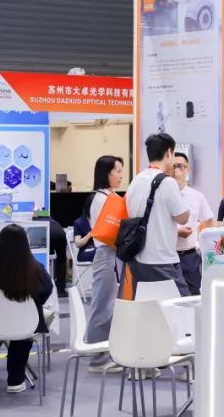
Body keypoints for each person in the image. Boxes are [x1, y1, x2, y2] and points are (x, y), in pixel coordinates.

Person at [0, 224, 53, 393]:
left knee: (19, 325)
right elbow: (45, 293)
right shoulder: (37, 272)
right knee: (24, 329)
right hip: (26, 326)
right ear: (26, 245)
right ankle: (15, 380)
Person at [126, 133, 190, 297]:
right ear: (169, 152)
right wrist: (179, 187)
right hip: (163, 260)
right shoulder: (167, 182)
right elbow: (183, 217)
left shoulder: (136, 181)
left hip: (138, 260)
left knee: (147, 307)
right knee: (182, 307)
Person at [84, 154, 126, 372]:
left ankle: (105, 351)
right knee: (102, 305)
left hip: (113, 255)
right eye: (117, 171)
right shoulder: (102, 199)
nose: (121, 175)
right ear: (106, 173)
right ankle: (97, 358)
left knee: (109, 305)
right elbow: (108, 232)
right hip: (106, 253)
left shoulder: (111, 197)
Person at [171, 152, 214, 295]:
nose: (177, 171)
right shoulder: (162, 195)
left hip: (189, 256)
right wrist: (176, 231)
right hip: (167, 255)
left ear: (187, 170)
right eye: (173, 166)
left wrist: (199, 242)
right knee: (168, 296)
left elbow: (208, 220)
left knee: (192, 295)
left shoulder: (196, 196)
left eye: (180, 166)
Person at [71, 198, 97, 263]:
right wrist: (90, 234)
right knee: (99, 253)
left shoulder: (99, 219)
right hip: (85, 251)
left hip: (98, 248)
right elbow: (78, 243)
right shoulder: (79, 222)